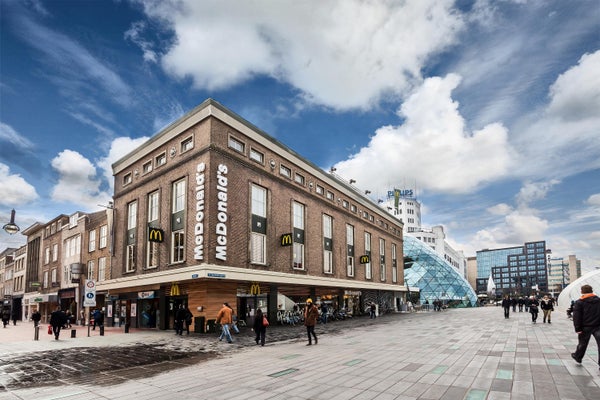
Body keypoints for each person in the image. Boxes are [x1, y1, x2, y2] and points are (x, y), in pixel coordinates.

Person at [571, 285, 600, 367]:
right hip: (598, 326)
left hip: (585, 327)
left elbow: (577, 317)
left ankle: (578, 357)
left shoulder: (579, 302)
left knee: (582, 343)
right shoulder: (599, 300)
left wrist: (577, 328)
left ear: (582, 291)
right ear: (592, 291)